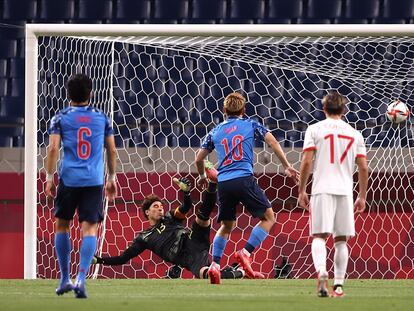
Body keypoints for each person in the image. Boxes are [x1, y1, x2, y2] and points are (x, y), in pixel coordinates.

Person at [194, 92, 299, 284]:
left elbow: (199, 158)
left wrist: (202, 176)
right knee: (268, 217)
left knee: (226, 226)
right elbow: (273, 142)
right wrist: (286, 165)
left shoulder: (215, 131)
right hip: (243, 178)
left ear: (224, 111)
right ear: (244, 110)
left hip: (223, 182)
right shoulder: (251, 124)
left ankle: (215, 266)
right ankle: (245, 252)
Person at [45, 73, 117, 298]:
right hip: (94, 180)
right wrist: (112, 177)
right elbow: (112, 150)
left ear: (68, 94)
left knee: (62, 226)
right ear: (91, 93)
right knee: (89, 229)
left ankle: (65, 278)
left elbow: (53, 149)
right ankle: (82, 279)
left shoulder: (60, 117)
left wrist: (49, 176)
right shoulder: (102, 118)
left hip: (69, 179)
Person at [92, 177, 245, 281]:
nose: (160, 209)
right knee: (208, 275)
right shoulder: (144, 238)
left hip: (191, 240)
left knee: (202, 217)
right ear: (147, 212)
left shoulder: (170, 217)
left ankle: (212, 183)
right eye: (155, 206)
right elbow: (122, 258)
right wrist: (98, 260)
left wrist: (186, 192)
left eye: (161, 206)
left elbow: (186, 207)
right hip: (187, 259)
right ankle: (238, 271)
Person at [297, 91, 368, 298]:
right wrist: (362, 196)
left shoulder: (314, 129)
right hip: (345, 191)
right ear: (344, 110)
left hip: (321, 189)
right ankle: (338, 286)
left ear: (323, 109)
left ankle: (321, 271)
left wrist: (302, 190)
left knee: (319, 236)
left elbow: (307, 161)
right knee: (341, 241)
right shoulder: (355, 133)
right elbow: (363, 167)